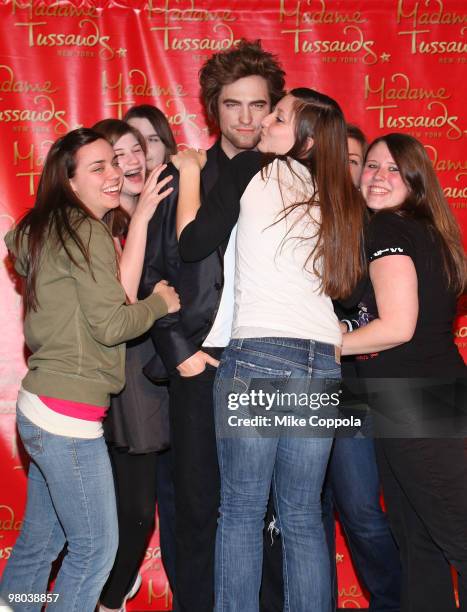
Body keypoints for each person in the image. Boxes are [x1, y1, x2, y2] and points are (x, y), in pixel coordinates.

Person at [175, 88, 366, 612]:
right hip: (324, 362)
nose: (262, 124)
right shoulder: (342, 196)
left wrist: (191, 172)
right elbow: (349, 290)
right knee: (303, 514)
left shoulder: (250, 170)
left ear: (303, 139)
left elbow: (192, 242)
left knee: (240, 510)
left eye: (277, 117)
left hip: (258, 352)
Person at [0, 128, 179, 612]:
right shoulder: (87, 233)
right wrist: (159, 302)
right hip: (67, 418)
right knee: (96, 550)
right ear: (70, 181)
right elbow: (111, 325)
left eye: (114, 163)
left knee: (42, 541)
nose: (114, 173)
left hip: (41, 408)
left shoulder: (47, 228)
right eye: (97, 167)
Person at [138, 40, 286, 612]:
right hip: (201, 362)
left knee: (271, 509)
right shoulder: (181, 179)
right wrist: (179, 352)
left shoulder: (289, 182)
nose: (246, 118)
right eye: (233, 105)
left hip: (267, 363)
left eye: (258, 105)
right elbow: (153, 273)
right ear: (212, 109)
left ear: (274, 109)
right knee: (197, 508)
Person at [342, 133, 466, 612]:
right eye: (372, 167)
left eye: (394, 170)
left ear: (415, 182)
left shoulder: (388, 231)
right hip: (424, 393)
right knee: (418, 541)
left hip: (412, 398)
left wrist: (324, 345)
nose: (378, 177)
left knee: (451, 535)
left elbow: (396, 327)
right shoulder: (427, 230)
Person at [91, 118, 176, 612]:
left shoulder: (169, 212)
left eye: (137, 148)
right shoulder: (100, 226)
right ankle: (103, 599)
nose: (131, 160)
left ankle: (106, 595)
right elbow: (122, 302)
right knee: (131, 509)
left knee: (142, 507)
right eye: (116, 155)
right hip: (117, 377)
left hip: (164, 373)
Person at [322, 124, 401, 612]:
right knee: (302, 514)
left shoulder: (389, 227)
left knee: (362, 511)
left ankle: (395, 601)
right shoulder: (304, 219)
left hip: (369, 386)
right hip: (300, 384)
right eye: (348, 160)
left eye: (359, 159)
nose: (354, 170)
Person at [124, 104, 177, 171]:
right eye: (136, 139)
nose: (144, 147)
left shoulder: (184, 179)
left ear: (166, 146)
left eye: (152, 140)